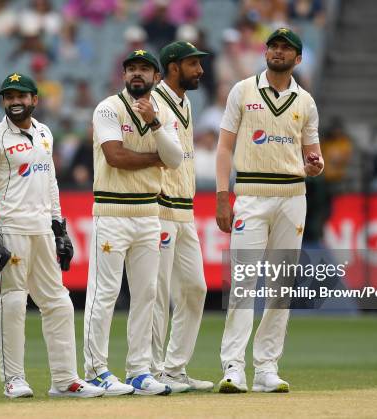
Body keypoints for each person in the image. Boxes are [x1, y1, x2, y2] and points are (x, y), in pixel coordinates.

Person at [0, 72, 105, 399]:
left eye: (22, 96)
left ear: (35, 100)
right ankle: (13, 379)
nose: (15, 102)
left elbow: (51, 182)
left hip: (43, 230)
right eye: (9, 97)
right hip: (12, 229)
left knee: (58, 302)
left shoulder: (44, 132)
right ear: (3, 101)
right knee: (13, 302)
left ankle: (65, 380)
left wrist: (60, 227)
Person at [215, 28, 323, 394]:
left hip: (293, 196)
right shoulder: (243, 91)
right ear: (266, 52)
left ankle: (266, 367)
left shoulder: (305, 101)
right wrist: (220, 195)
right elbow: (224, 148)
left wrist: (315, 165)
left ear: (298, 58)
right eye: (273, 46)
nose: (278, 52)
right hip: (250, 194)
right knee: (243, 282)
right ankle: (233, 366)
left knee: (281, 286)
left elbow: (312, 152)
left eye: (286, 48)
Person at [84, 50, 183, 396]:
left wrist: (155, 124)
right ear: (124, 75)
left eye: (144, 69)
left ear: (157, 77)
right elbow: (116, 156)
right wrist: (155, 156)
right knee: (105, 293)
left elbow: (176, 161)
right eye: (131, 69)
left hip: (148, 214)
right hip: (112, 212)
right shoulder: (108, 108)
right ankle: (96, 370)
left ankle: (139, 371)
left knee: (147, 294)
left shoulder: (164, 113)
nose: (137, 75)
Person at [149, 41, 214, 393]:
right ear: (173, 67)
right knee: (158, 293)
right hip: (160, 208)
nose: (200, 70)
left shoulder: (186, 102)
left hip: (184, 209)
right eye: (193, 64)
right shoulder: (154, 101)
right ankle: (155, 370)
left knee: (195, 288)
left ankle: (174, 368)